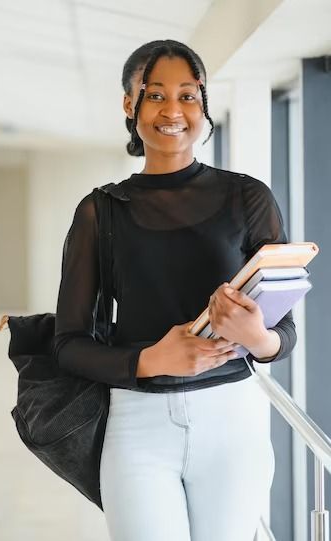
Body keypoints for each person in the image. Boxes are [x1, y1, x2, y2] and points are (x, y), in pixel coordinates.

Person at [54, 39, 296, 541]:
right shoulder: (100, 211)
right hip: (138, 423)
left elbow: (284, 334)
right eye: (156, 94)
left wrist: (258, 336)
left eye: (188, 95)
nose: (173, 110)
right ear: (130, 104)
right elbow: (68, 345)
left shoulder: (247, 197)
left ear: (203, 104)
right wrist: (151, 360)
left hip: (232, 419)